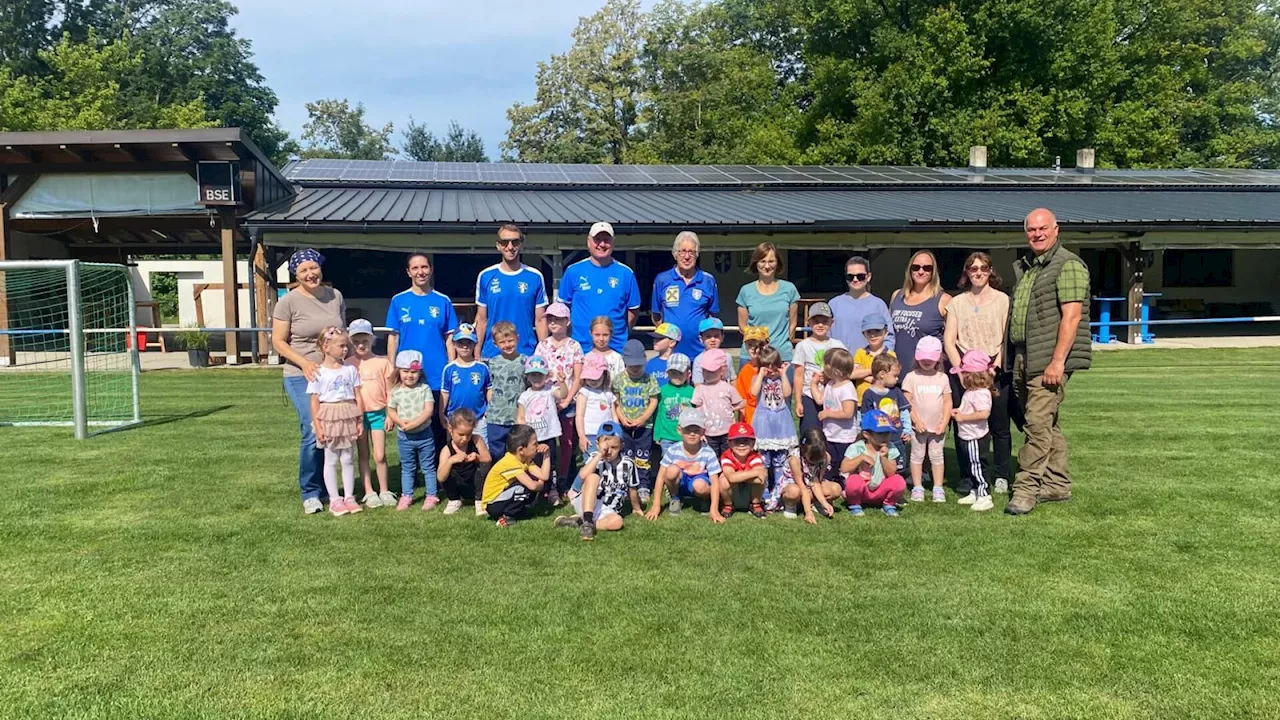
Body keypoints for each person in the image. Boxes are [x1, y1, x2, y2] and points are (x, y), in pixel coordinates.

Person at [1006, 208, 1092, 515]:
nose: (1037, 234)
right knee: (1048, 424)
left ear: (1056, 229)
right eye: (1031, 230)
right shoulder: (1030, 267)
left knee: (1036, 422)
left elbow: (1072, 316)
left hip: (1048, 359)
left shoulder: (1067, 265)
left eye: (1043, 228)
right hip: (1024, 356)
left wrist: (1058, 362)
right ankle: (1057, 485)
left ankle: (1026, 489)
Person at [271, 248, 345, 514]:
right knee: (313, 426)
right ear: (296, 274)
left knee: (333, 427)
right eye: (303, 270)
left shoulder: (335, 296)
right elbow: (278, 341)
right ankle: (310, 491)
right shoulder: (287, 302)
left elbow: (341, 334)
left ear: (321, 269)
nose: (310, 274)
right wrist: (304, 363)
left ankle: (329, 487)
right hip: (299, 374)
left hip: (331, 375)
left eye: (313, 268)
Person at [945, 251, 1013, 494]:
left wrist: (994, 368)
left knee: (999, 425)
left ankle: (1002, 474)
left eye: (983, 268)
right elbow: (949, 340)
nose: (978, 273)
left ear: (990, 271)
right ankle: (968, 476)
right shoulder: (957, 303)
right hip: (966, 372)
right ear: (967, 272)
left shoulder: (1002, 300)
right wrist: (960, 372)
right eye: (973, 269)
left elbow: (1007, 338)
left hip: (994, 369)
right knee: (964, 423)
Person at [386, 252, 458, 454]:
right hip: (408, 375)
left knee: (437, 424)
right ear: (408, 272)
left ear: (431, 269)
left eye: (424, 267)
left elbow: (450, 337)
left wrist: (451, 367)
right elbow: (393, 337)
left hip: (435, 373)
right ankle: (411, 471)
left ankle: (438, 473)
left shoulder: (442, 301)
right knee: (409, 423)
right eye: (415, 268)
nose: (420, 272)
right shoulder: (399, 301)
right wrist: (392, 368)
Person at [307, 327, 366, 517]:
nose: (345, 350)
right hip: (329, 416)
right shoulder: (319, 372)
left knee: (348, 457)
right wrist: (318, 426)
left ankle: (349, 496)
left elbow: (358, 395)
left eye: (346, 346)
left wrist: (359, 419)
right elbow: (315, 401)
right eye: (341, 346)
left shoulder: (350, 369)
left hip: (348, 414)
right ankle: (334, 498)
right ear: (326, 347)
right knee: (331, 458)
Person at [558, 221, 641, 352]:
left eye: (606, 240)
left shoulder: (626, 273)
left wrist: (619, 335)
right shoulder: (573, 271)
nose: (602, 244)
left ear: (613, 242)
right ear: (588, 242)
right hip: (579, 350)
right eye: (597, 240)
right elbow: (562, 310)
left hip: (615, 350)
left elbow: (633, 312)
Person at [553, 424, 642, 541]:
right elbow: (582, 476)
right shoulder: (595, 458)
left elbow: (632, 489)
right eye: (605, 448)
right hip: (587, 502)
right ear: (597, 445)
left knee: (618, 522)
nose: (609, 452)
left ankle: (582, 523)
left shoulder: (628, 464)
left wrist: (636, 508)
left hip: (609, 510)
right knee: (593, 477)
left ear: (622, 446)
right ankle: (587, 520)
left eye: (614, 447)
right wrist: (600, 454)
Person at [474, 223, 548, 359]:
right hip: (492, 355)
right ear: (498, 245)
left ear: (521, 244)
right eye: (504, 242)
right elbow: (481, 319)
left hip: (526, 354)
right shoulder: (486, 276)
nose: (510, 247)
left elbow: (541, 320)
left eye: (515, 242)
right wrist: (477, 351)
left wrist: (544, 354)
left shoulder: (534, 276)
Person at [535, 301, 584, 495]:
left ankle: (564, 479)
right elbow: (536, 371)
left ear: (567, 322)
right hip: (546, 402)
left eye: (558, 320)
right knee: (545, 443)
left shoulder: (574, 346)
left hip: (569, 402)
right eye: (551, 320)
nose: (554, 323)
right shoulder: (542, 345)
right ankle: (546, 479)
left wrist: (566, 400)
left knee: (566, 443)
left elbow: (578, 377)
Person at [345, 319, 394, 508]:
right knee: (363, 453)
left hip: (378, 413)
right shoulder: (348, 365)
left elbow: (390, 390)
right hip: (358, 415)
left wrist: (390, 414)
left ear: (371, 340)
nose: (360, 345)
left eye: (364, 341)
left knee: (380, 455)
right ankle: (369, 491)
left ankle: (384, 489)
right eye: (356, 341)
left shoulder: (382, 363)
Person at [650, 231, 719, 357]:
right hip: (670, 354)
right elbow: (656, 315)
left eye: (691, 252)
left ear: (697, 255)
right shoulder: (662, 280)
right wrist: (669, 337)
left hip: (700, 354)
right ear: (675, 254)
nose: (686, 257)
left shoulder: (708, 280)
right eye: (682, 251)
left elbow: (712, 315)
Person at [386, 350, 438, 511]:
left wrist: (414, 424)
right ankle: (406, 495)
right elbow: (391, 410)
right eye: (405, 371)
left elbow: (428, 410)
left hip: (424, 436)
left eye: (414, 372)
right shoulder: (396, 391)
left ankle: (431, 495)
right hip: (405, 437)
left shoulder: (424, 389)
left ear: (419, 372)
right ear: (399, 372)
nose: (410, 375)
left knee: (428, 466)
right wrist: (401, 422)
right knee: (407, 467)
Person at [901, 336, 952, 503]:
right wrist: (916, 421)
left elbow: (947, 402)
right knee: (917, 456)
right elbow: (907, 402)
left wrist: (944, 422)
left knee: (937, 456)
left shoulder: (942, 378)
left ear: (938, 358)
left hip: (937, 427)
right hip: (919, 427)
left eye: (930, 358)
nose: (926, 361)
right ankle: (917, 487)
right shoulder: (911, 377)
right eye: (923, 358)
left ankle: (938, 487)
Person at [648, 408, 724, 519]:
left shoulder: (708, 451)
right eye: (688, 430)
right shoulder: (673, 450)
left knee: (699, 485)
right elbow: (660, 476)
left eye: (696, 430)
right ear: (680, 430)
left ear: (703, 431)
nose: (692, 434)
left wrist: (714, 510)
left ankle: (705, 499)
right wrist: (656, 505)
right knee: (671, 470)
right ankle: (675, 497)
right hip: (680, 482)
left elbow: (715, 481)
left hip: (699, 482)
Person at [749, 344, 797, 507]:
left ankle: (778, 488)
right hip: (763, 422)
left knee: (780, 460)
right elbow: (753, 393)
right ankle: (765, 492)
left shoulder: (781, 378)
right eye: (766, 366)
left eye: (773, 366)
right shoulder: (758, 379)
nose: (770, 369)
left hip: (780, 422)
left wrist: (783, 374)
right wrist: (761, 375)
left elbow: (787, 393)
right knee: (764, 460)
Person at [736, 242, 801, 363]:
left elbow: (792, 324)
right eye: (762, 261)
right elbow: (742, 327)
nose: (767, 266)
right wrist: (755, 346)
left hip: (782, 356)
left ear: (778, 263)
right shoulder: (746, 291)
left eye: (771, 261)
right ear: (756, 263)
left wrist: (784, 343)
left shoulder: (789, 289)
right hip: (752, 357)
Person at [859, 354, 913, 494]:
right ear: (882, 374)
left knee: (899, 467)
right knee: (878, 465)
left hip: (896, 437)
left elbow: (904, 411)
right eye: (895, 376)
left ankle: (897, 492)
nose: (897, 379)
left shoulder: (896, 392)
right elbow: (865, 416)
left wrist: (907, 429)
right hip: (878, 439)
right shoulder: (869, 394)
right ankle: (877, 489)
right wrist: (866, 434)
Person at [613, 339, 660, 502]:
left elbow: (653, 400)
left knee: (642, 456)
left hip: (644, 426)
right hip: (625, 425)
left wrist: (643, 418)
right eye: (632, 366)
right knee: (626, 455)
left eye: (638, 366)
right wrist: (621, 417)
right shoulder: (619, 379)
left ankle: (643, 486)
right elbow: (616, 401)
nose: (635, 370)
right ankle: (626, 485)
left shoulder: (649, 379)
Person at [890, 250, 951, 373]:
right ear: (909, 270)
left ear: (933, 272)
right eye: (916, 267)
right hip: (895, 372)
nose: (921, 271)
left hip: (927, 375)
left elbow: (952, 341)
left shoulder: (944, 300)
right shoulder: (897, 296)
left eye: (927, 268)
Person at [839, 410, 907, 517]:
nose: (885, 436)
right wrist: (861, 457)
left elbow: (891, 473)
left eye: (887, 432)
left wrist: (884, 457)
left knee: (899, 481)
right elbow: (844, 468)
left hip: (881, 489)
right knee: (853, 481)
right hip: (863, 491)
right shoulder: (857, 447)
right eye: (881, 433)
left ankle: (888, 504)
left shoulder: (890, 447)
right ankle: (855, 504)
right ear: (866, 434)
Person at [517, 356, 566, 505]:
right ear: (527, 376)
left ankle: (552, 491)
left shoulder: (550, 390)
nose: (536, 378)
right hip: (531, 439)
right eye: (533, 374)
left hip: (548, 435)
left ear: (546, 375)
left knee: (550, 465)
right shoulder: (524, 396)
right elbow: (520, 417)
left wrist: (562, 382)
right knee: (531, 464)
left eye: (540, 374)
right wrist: (524, 435)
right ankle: (532, 492)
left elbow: (562, 394)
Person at [792, 301, 847, 435]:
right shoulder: (803, 346)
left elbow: (845, 369)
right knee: (810, 432)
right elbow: (798, 375)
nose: (820, 325)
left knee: (830, 431)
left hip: (832, 394)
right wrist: (798, 401)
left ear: (831, 323)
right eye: (816, 321)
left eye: (824, 321)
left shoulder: (837, 345)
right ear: (809, 322)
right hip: (809, 395)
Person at [952, 349, 997, 512]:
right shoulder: (971, 392)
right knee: (971, 465)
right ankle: (975, 490)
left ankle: (984, 495)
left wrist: (963, 418)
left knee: (978, 465)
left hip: (975, 437)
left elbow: (984, 413)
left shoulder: (981, 393)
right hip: (967, 435)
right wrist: (959, 411)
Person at [481, 424, 551, 527]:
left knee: (527, 484)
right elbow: (532, 486)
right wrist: (540, 485)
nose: (538, 446)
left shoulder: (524, 459)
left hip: (502, 498)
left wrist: (547, 455)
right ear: (521, 450)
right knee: (524, 487)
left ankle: (518, 512)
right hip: (492, 504)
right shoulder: (510, 462)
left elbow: (544, 476)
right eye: (534, 444)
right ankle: (507, 516)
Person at [439, 324, 492, 458]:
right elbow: (444, 393)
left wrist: (489, 410)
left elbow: (488, 390)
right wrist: (441, 414)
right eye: (460, 343)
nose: (464, 346)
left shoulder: (482, 368)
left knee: (482, 451)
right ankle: (455, 478)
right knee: (455, 451)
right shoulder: (449, 369)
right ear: (454, 344)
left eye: (468, 343)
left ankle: (481, 477)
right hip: (455, 420)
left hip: (478, 418)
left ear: (474, 344)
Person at [829, 255, 895, 352]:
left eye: (860, 276)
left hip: (870, 364)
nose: (855, 280)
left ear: (868, 277)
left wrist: (880, 360)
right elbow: (826, 337)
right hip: (839, 364)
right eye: (850, 276)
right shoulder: (834, 304)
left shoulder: (878, 305)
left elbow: (889, 337)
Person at [812, 347, 859, 482]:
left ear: (835, 370)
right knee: (829, 461)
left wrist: (828, 414)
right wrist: (813, 385)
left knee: (842, 464)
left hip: (844, 436)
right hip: (830, 434)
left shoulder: (847, 388)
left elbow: (848, 413)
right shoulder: (831, 384)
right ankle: (829, 480)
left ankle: (844, 483)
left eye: (825, 364)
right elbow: (820, 400)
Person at [436, 408, 492, 516]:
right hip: (457, 485)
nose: (465, 438)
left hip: (475, 483)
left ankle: (479, 500)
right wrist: (451, 461)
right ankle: (454, 499)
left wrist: (478, 457)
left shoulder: (476, 440)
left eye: (469, 434)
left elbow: (488, 459)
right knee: (445, 470)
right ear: (450, 429)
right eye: (461, 434)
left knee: (484, 466)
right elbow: (440, 477)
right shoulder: (447, 450)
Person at [652, 353, 694, 494]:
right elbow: (658, 413)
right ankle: (668, 485)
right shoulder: (663, 391)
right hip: (667, 435)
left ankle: (683, 485)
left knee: (685, 460)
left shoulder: (692, 391)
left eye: (680, 373)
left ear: (688, 373)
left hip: (685, 436)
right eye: (673, 372)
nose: (676, 376)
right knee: (667, 461)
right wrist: (657, 434)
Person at [484, 320, 527, 455]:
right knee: (497, 453)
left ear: (517, 339)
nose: (507, 345)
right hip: (496, 416)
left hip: (517, 416)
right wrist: (489, 406)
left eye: (510, 340)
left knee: (519, 452)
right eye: (502, 342)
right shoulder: (492, 363)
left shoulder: (525, 361)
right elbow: (489, 387)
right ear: (495, 344)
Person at [691, 349, 744, 458]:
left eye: (711, 371)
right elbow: (696, 411)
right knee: (710, 458)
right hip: (708, 433)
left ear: (722, 370)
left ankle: (726, 474)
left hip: (728, 432)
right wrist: (699, 431)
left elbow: (741, 403)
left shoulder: (728, 388)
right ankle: (714, 475)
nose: (707, 374)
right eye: (704, 371)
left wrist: (731, 409)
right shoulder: (700, 389)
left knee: (728, 457)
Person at [712, 422, 769, 522]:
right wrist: (753, 473)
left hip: (748, 493)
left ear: (753, 443)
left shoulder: (754, 456)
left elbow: (761, 478)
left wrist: (740, 476)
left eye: (746, 441)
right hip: (733, 493)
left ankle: (755, 504)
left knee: (761, 480)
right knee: (723, 480)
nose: (741, 445)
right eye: (737, 441)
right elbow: (731, 477)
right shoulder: (727, 456)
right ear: (729, 443)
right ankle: (728, 505)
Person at [574, 354, 617, 462]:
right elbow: (579, 416)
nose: (593, 381)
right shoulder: (584, 392)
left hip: (608, 434)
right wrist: (582, 436)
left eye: (597, 377)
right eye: (590, 378)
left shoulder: (608, 393)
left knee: (608, 462)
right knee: (591, 463)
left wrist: (617, 433)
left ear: (604, 375)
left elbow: (614, 415)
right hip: (591, 436)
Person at [796, 428, 841, 522]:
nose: (816, 461)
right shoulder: (795, 459)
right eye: (812, 458)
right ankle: (792, 506)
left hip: (811, 486)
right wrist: (808, 512)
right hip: (799, 487)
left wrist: (824, 503)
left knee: (836, 489)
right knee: (794, 491)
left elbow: (816, 482)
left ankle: (816, 504)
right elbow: (803, 488)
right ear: (803, 449)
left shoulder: (826, 457)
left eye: (819, 458)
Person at [853, 315, 894, 403]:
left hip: (884, 401)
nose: (873, 335)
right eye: (869, 332)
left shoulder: (890, 355)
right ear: (864, 334)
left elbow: (891, 379)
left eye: (877, 331)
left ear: (886, 332)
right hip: (862, 402)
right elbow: (852, 374)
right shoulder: (860, 352)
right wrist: (876, 371)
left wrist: (863, 374)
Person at [735, 326, 769, 424]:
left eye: (758, 345)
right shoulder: (745, 371)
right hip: (751, 416)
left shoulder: (772, 368)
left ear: (766, 345)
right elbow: (741, 397)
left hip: (769, 413)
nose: (753, 348)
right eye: (749, 345)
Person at [691, 318, 736, 385]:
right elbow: (698, 385)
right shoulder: (699, 360)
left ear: (722, 338)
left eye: (716, 336)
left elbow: (733, 379)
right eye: (708, 336)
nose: (712, 339)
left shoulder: (727, 357)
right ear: (701, 339)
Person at [584, 315, 625, 381]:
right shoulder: (586, 358)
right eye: (597, 335)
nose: (601, 339)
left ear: (611, 334)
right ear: (591, 333)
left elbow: (622, 380)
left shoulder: (617, 358)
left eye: (605, 335)